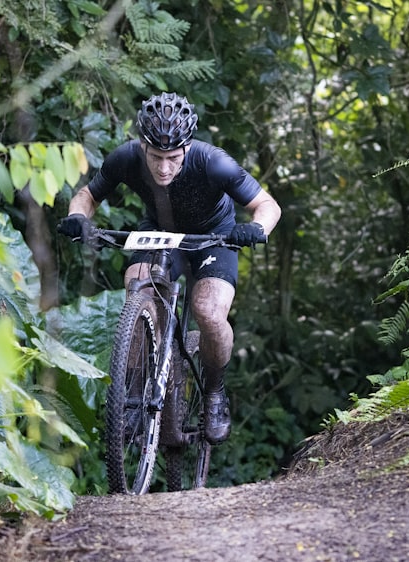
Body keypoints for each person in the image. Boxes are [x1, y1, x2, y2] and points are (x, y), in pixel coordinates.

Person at [59, 92, 281, 444]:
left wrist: (256, 228)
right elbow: (87, 195)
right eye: (156, 157)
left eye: (173, 158)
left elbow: (267, 205)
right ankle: (135, 388)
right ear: (143, 146)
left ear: (187, 149)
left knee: (208, 312)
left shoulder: (213, 162)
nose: (164, 168)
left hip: (215, 237)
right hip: (160, 232)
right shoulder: (127, 158)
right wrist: (76, 217)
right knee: (138, 286)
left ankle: (214, 392)